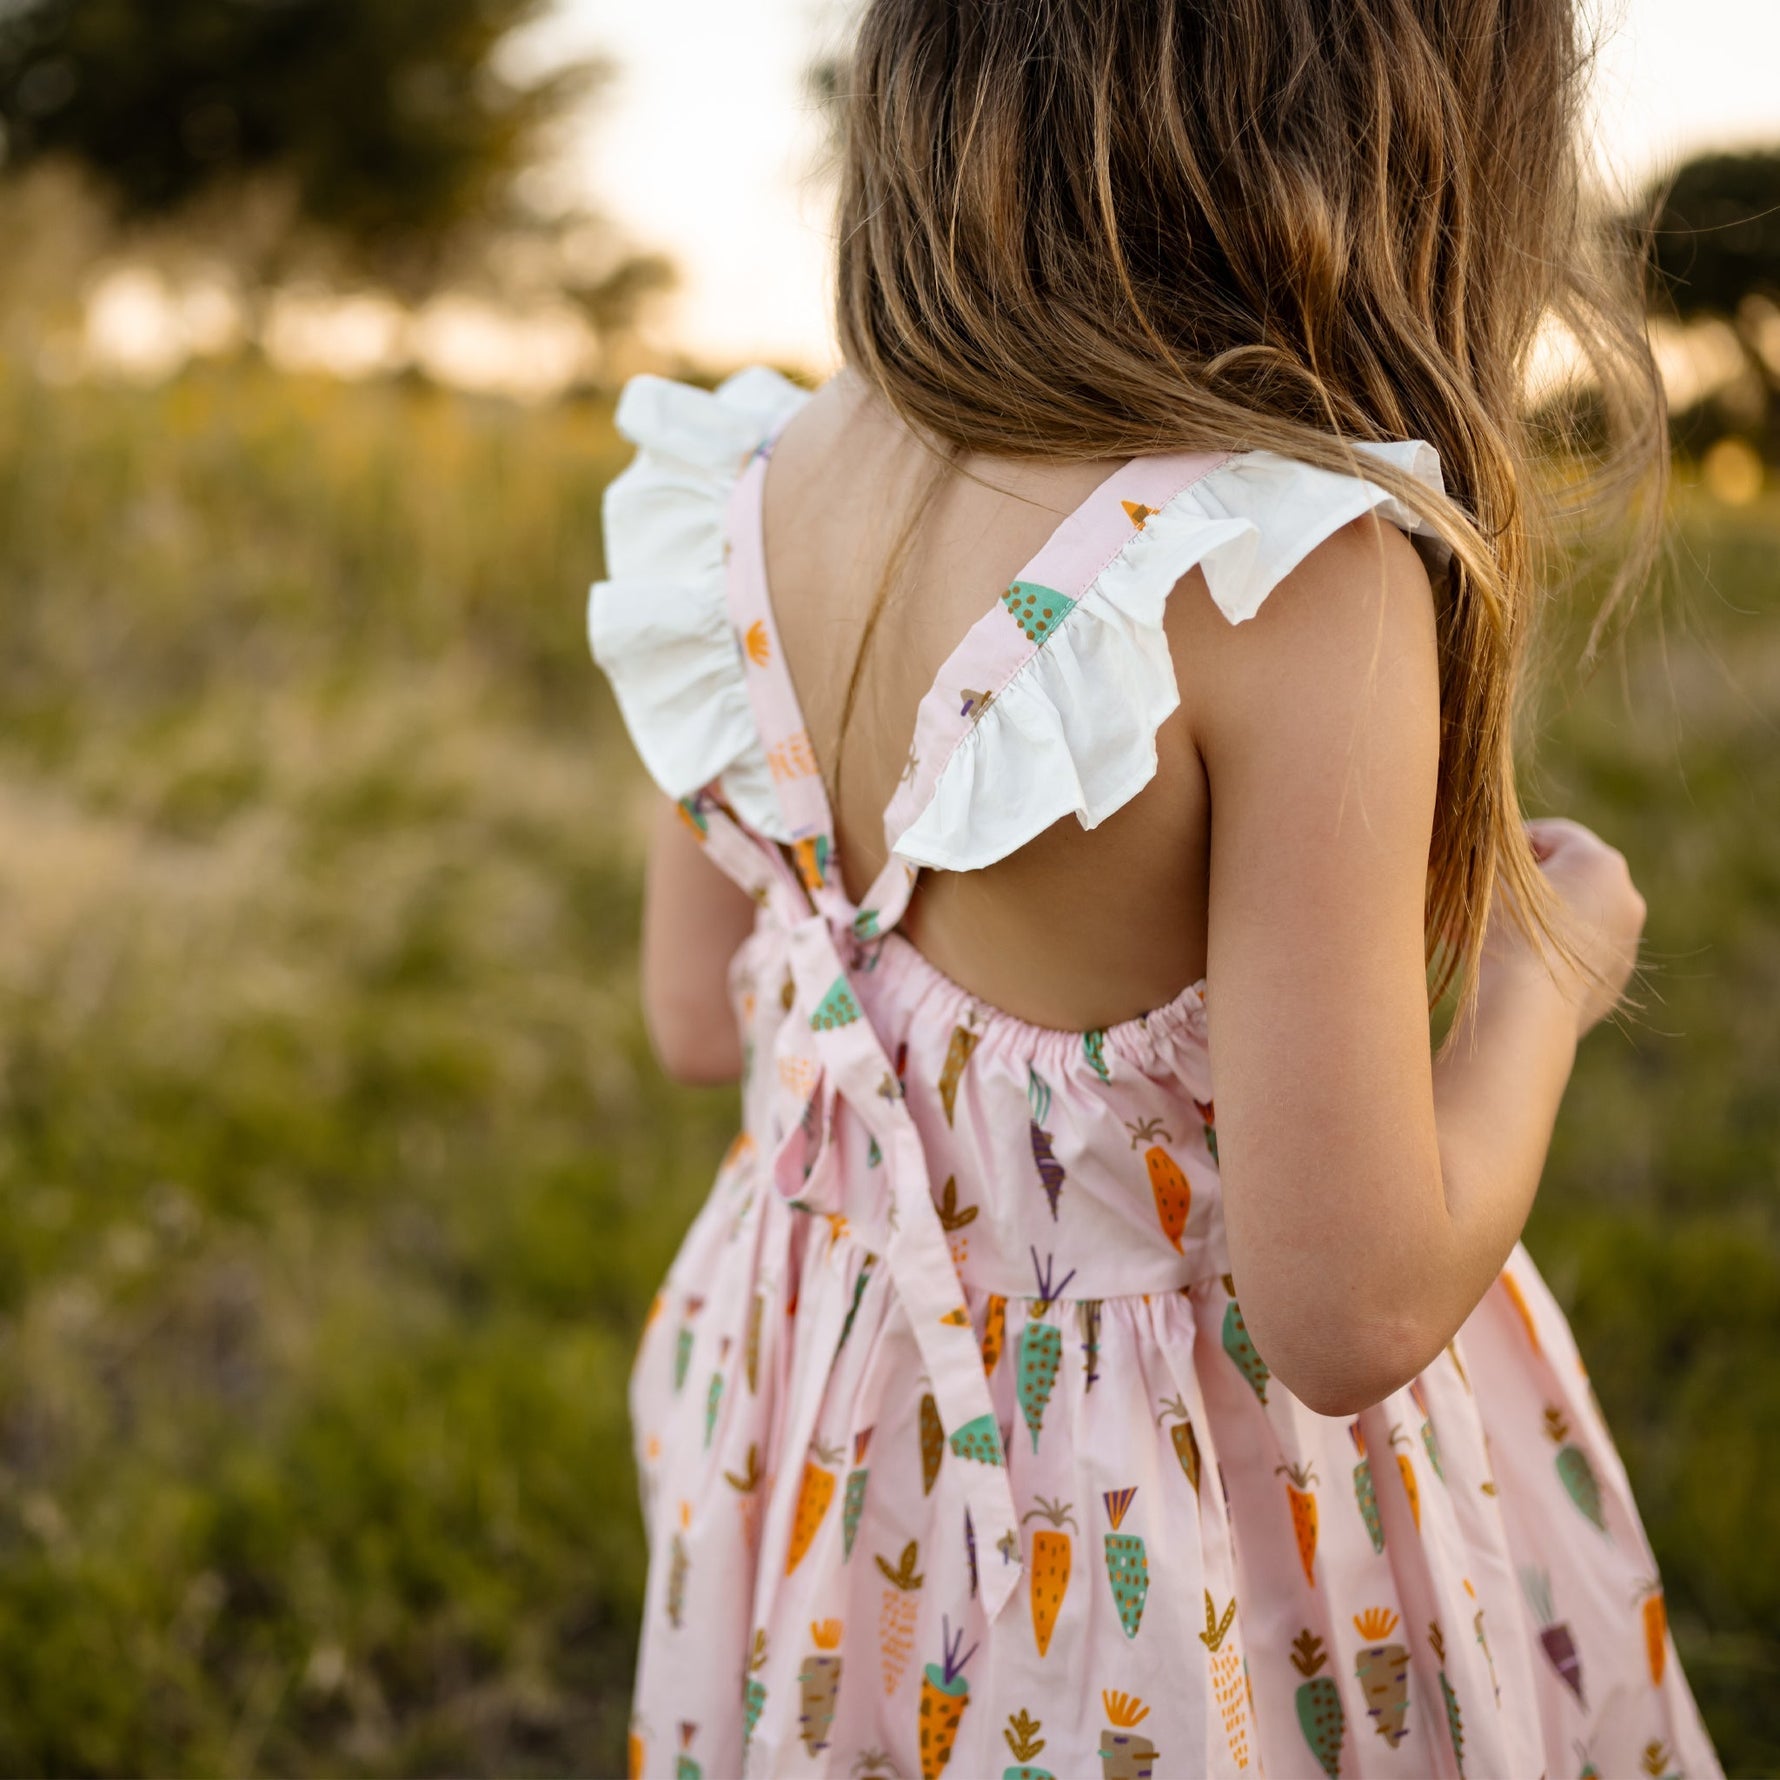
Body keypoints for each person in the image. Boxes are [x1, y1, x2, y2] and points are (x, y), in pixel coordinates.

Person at [589, 3, 1725, 1775]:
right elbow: (1346, 1310)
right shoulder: (1287, 572)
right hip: (1159, 1533)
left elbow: (687, 1020)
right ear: (1393, 136)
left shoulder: (735, 494)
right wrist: (1544, 987)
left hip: (817, 1446)